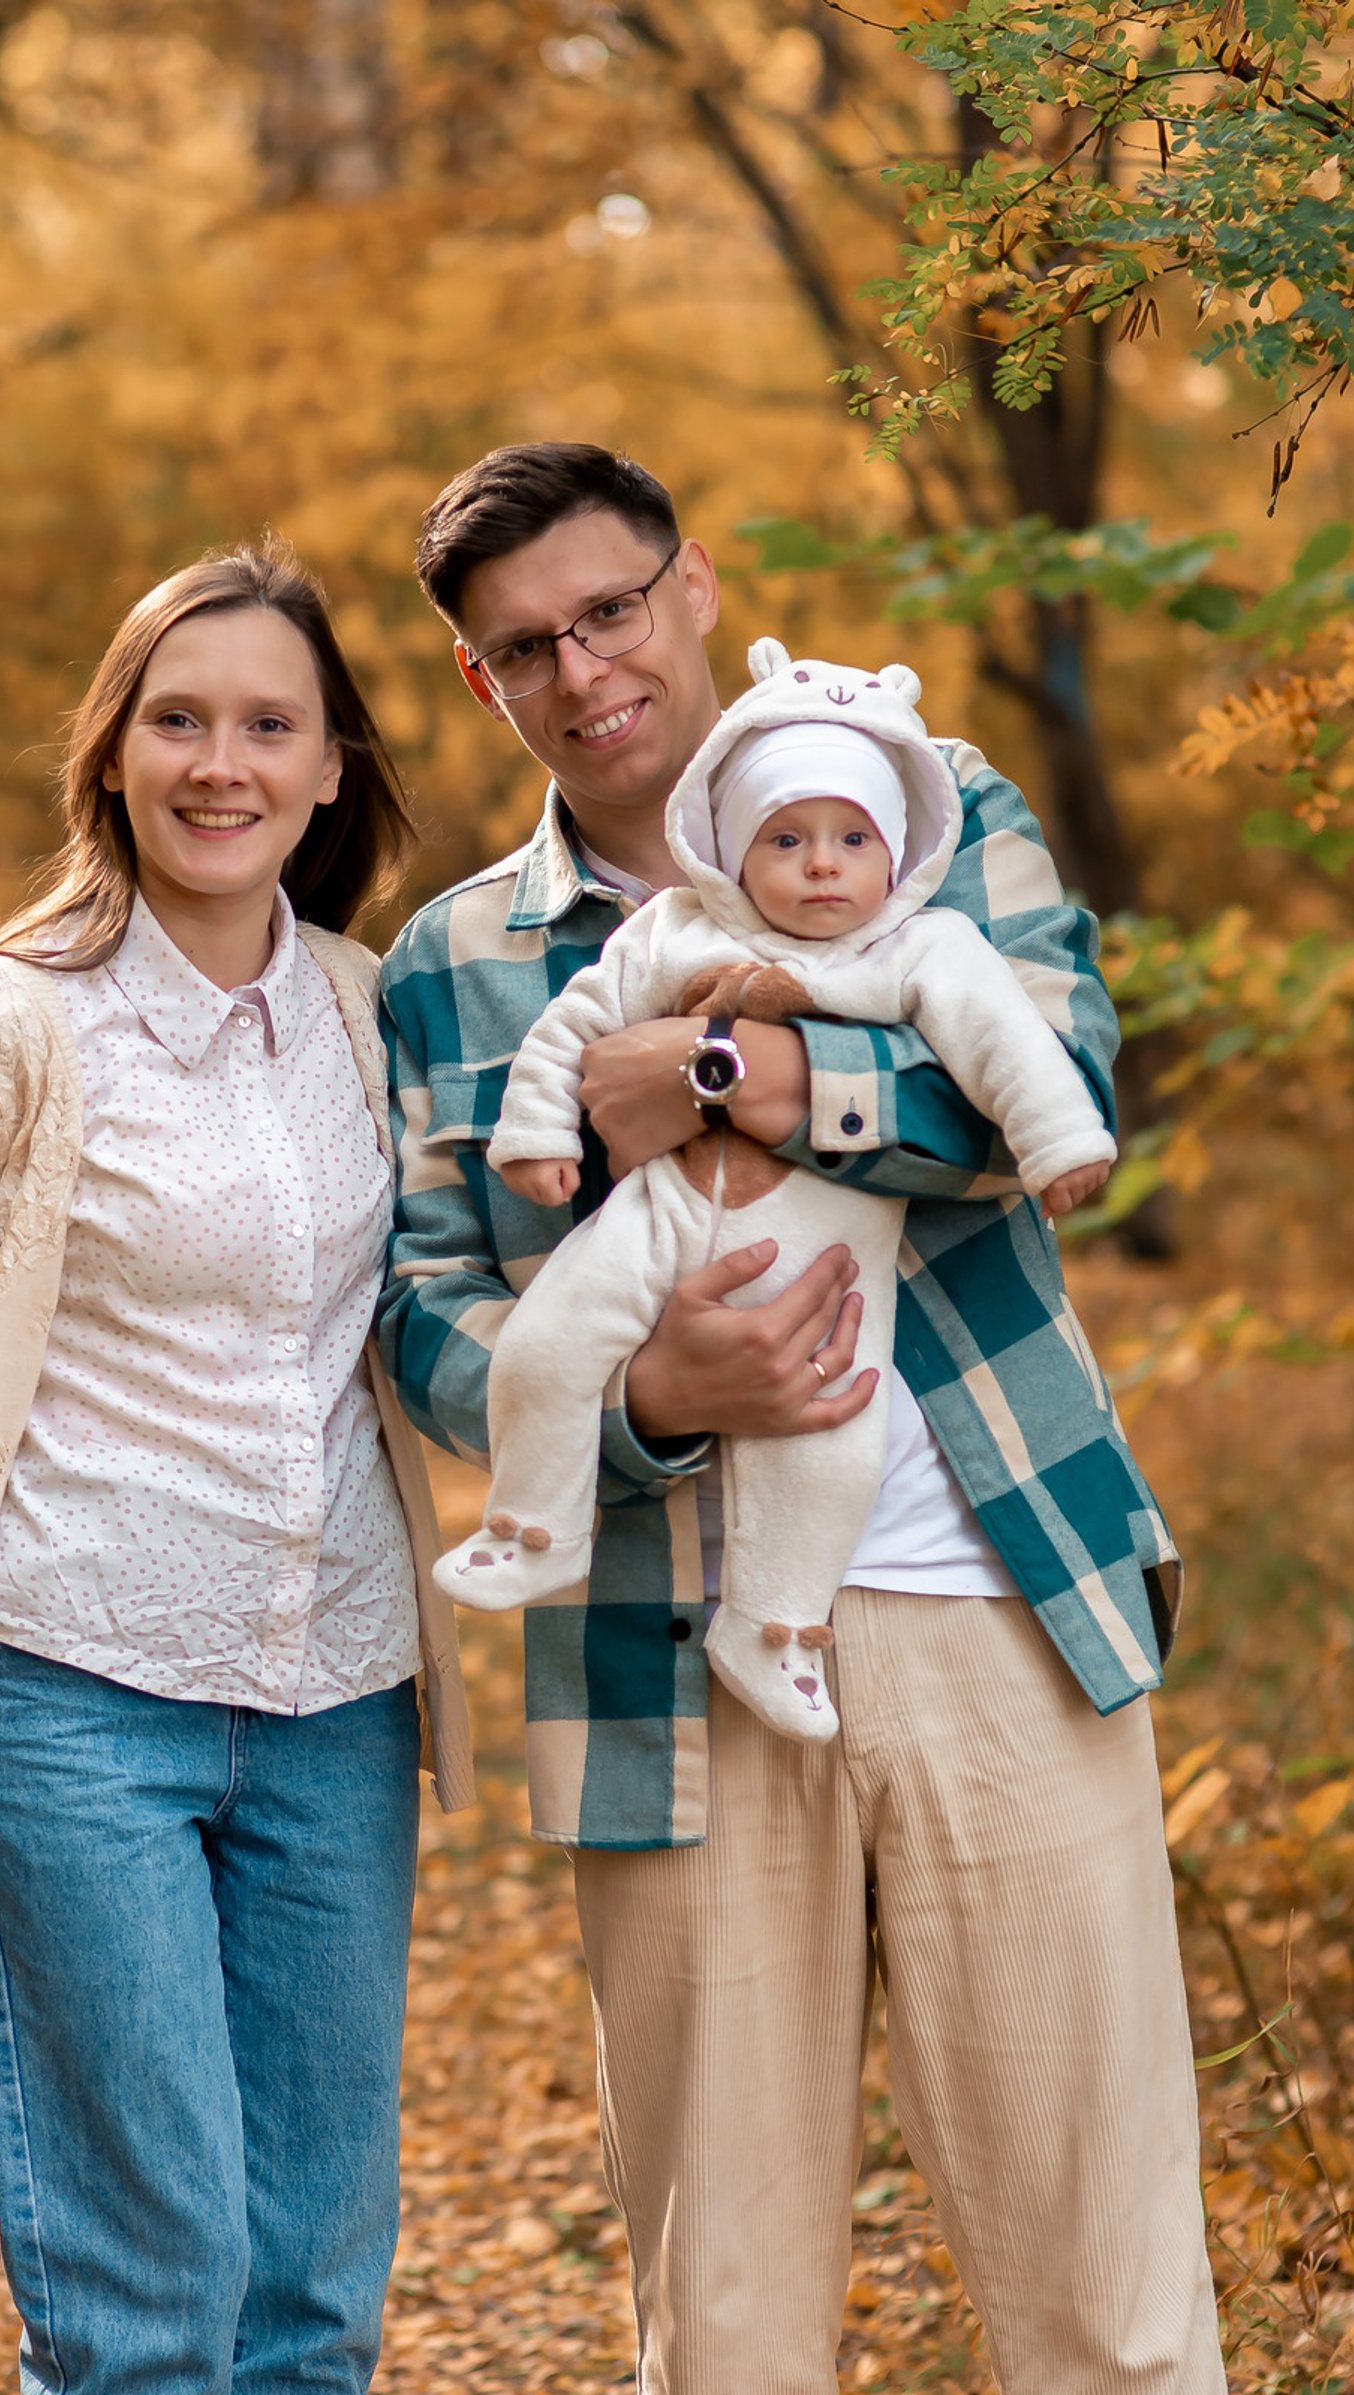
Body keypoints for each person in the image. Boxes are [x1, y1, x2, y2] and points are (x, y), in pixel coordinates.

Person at [376, 444, 1243, 2395]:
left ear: (688, 590)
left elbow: (1048, 1075)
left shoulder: (912, 796)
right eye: (522, 649)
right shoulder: (457, 954)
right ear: (481, 690)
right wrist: (646, 1396)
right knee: (727, 2320)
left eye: (606, 609)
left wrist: (726, 1081)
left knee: (1100, 2282)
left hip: (996, 1609)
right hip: (664, 1664)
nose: (580, 671)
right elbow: (418, 1303)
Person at [0, 544, 471, 2395]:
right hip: (71, 1701)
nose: (220, 759)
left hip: (335, 1705)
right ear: (110, 753)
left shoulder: (378, 1018)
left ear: (328, 762)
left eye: (265, 721)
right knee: (151, 2283)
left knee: (307, 2279)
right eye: (175, 717)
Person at [436, 639, 1115, 1739]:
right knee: (548, 1342)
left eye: (852, 842)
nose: (820, 868)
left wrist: (1057, 1141)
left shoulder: (918, 945)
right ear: (729, 853)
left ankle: (772, 1628)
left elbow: (1013, 1047)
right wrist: (533, 1133)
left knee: (827, 1442)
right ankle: (531, 1523)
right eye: (785, 841)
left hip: (821, 1255)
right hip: (654, 1221)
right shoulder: (677, 930)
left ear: (892, 857)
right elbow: (573, 1026)